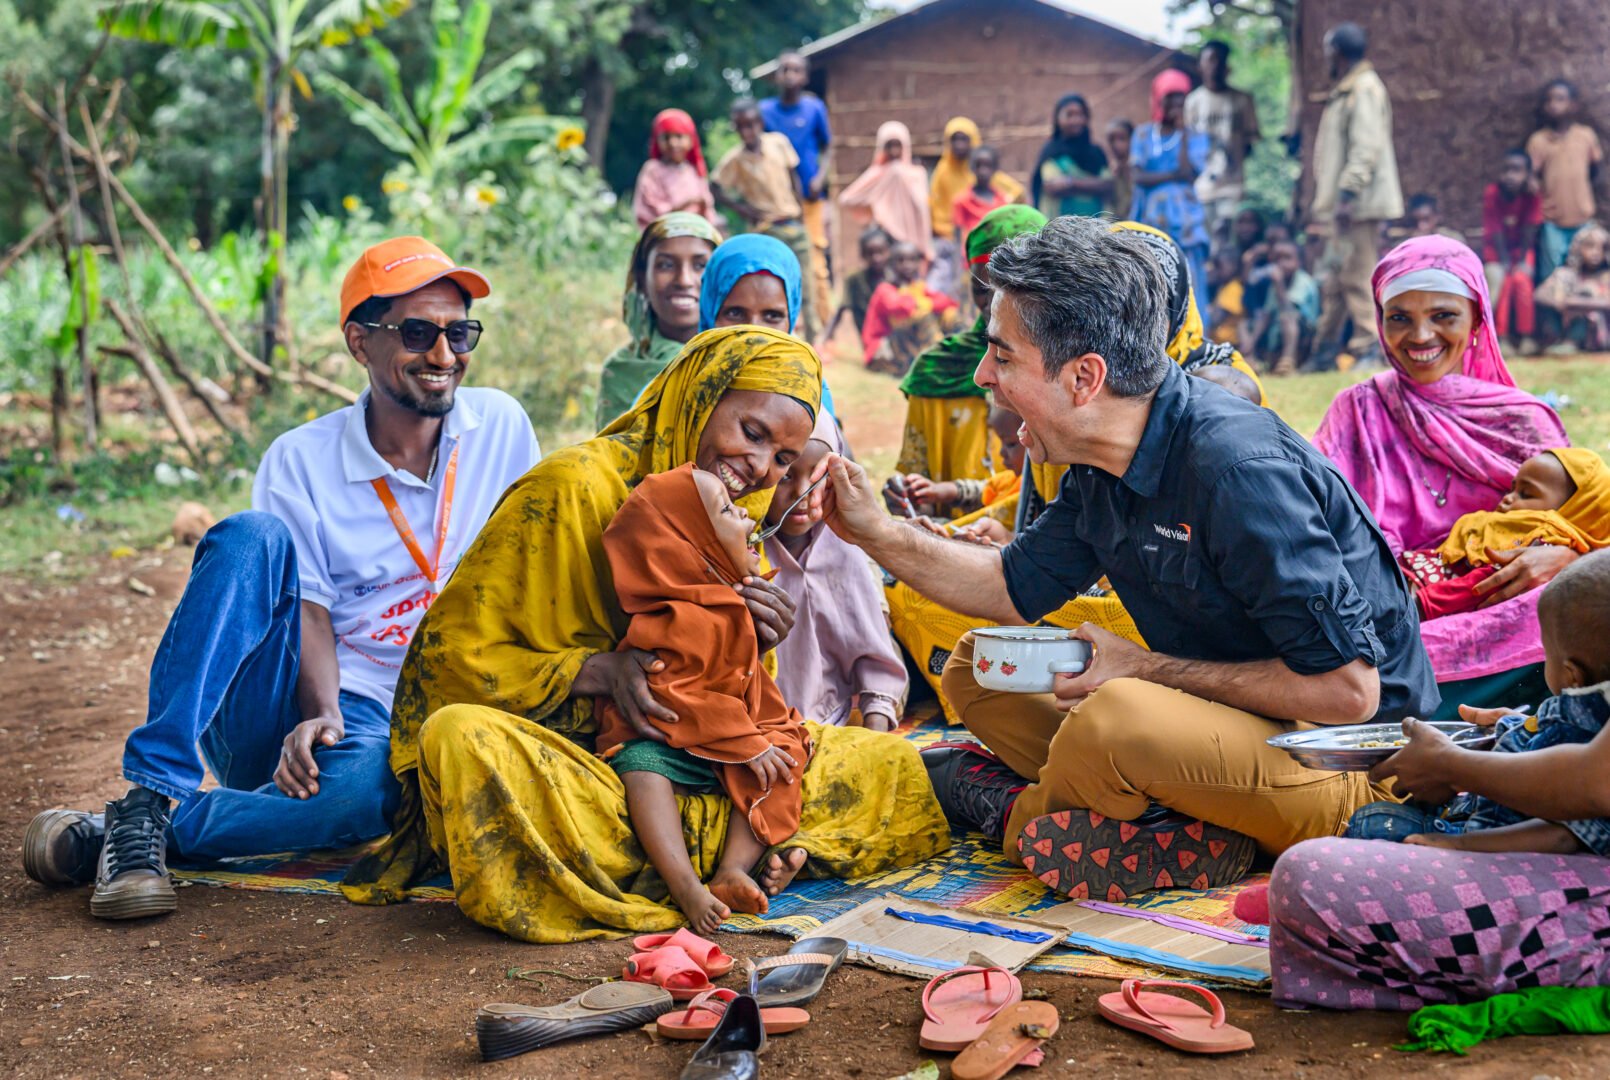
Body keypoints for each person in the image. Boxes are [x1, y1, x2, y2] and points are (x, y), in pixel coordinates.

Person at [818, 215, 1438, 903]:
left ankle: (1012, 816)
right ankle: (1169, 817)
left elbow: (1348, 693)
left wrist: (1142, 669)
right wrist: (874, 530)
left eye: (1004, 356)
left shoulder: (1236, 468)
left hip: (1347, 766)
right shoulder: (1104, 454)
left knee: (1113, 718)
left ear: (1085, 378)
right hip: (1232, 728)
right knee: (980, 665)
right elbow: (1009, 585)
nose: (982, 374)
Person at [339, 326, 950, 942]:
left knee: (890, 762)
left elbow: (733, 696)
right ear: (699, 396)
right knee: (460, 738)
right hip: (588, 768)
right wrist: (595, 671)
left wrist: (756, 641)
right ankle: (743, 851)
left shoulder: (742, 514)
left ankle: (719, 855)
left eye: (784, 458)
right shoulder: (573, 488)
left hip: (707, 758)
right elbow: (444, 668)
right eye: (751, 432)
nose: (760, 468)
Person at [23, 237, 542, 919]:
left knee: (368, 796)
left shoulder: (500, 426)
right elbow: (313, 613)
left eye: (458, 332)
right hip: (306, 713)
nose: (444, 356)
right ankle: (150, 792)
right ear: (361, 343)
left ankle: (122, 837)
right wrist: (320, 715)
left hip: (437, 711)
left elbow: (529, 565)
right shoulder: (300, 459)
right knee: (250, 538)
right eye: (418, 333)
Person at [1270, 552, 1610, 1010]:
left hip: (1552, 874)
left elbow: (1585, 802)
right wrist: (1512, 733)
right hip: (1501, 834)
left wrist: (1453, 772)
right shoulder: (1579, 711)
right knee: (1379, 822)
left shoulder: (1586, 718)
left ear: (1571, 673)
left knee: (1312, 870)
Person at [1314, 235, 1573, 716]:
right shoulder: (1356, 410)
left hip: (1506, 612)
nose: (1422, 336)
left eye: (1443, 315)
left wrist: (1562, 556)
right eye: (1400, 318)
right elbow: (1310, 525)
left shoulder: (1525, 421)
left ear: (1477, 319)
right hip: (1391, 617)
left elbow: (1586, 523)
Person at [597, 465, 812, 934]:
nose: (750, 519)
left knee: (787, 759)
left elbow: (751, 688)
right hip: (669, 741)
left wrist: (771, 737)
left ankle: (733, 868)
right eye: (729, 512)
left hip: (730, 743)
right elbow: (680, 696)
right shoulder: (681, 618)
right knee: (641, 768)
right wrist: (748, 742)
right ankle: (686, 885)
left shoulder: (730, 602)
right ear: (694, 547)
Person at [767, 413, 907, 733]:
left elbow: (876, 668)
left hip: (831, 719)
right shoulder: (748, 553)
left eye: (816, 478)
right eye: (786, 476)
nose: (802, 493)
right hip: (756, 722)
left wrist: (873, 741)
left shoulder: (846, 551)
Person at [894, 206, 1047, 495]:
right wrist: (909, 494)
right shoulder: (935, 371)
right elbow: (915, 476)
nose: (994, 302)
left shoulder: (1062, 370)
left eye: (1010, 285)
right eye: (982, 288)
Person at [1398, 448, 1609, 620]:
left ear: (1576, 510)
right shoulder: (1506, 528)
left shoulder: (1541, 540)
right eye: (1511, 490)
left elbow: (1488, 581)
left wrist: (1420, 605)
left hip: (1422, 600)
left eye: (1526, 494)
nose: (1507, 499)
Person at [1310, 23, 1403, 370]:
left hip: (1357, 205)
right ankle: (1324, 349)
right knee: (1336, 276)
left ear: (1336, 52)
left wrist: (1348, 194)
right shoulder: (1347, 90)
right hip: (1344, 205)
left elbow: (1366, 147)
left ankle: (1369, 346)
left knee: (1356, 274)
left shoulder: (1363, 89)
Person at [595, 212, 721, 429]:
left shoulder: (738, 360)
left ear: (721, 276)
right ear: (642, 278)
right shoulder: (622, 371)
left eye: (700, 265)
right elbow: (610, 458)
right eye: (666, 265)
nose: (684, 280)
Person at [712, 98, 818, 338]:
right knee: (771, 289)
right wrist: (743, 210)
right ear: (736, 128)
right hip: (766, 230)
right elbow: (715, 186)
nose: (748, 131)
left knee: (807, 287)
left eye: (751, 124)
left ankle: (813, 340)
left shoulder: (778, 143)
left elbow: (794, 177)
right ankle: (775, 338)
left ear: (760, 123)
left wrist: (800, 211)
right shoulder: (735, 159)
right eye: (741, 126)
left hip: (792, 223)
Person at [761, 51, 834, 330]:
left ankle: (822, 329)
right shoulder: (765, 110)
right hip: (776, 203)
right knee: (774, 259)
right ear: (777, 76)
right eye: (784, 69)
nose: (790, 75)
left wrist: (820, 177)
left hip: (809, 198)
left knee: (815, 265)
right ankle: (778, 322)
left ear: (804, 76)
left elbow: (828, 146)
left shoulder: (814, 108)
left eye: (795, 70)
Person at [1130, 69, 1212, 312]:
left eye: (1181, 98)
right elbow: (1137, 177)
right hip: (1153, 217)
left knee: (1190, 277)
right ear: (1158, 98)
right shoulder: (1144, 134)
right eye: (1169, 97)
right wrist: (1172, 176)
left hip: (1185, 221)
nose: (1175, 104)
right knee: (1155, 276)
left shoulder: (1195, 137)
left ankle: (1194, 334)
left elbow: (1189, 173)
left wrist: (1183, 133)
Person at [929, 117, 1024, 300]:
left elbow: (1015, 193)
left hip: (991, 249)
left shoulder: (996, 191)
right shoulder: (943, 173)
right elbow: (937, 207)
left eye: (964, 139)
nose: (959, 145)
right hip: (951, 239)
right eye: (954, 139)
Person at [1527, 79, 1603, 285]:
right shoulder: (1538, 141)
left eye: (1560, 99)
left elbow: (1596, 169)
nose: (1554, 104)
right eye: (1549, 100)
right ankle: (1553, 318)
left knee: (1584, 276)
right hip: (1553, 221)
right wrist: (1533, 183)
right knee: (1552, 278)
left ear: (1573, 105)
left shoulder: (1585, 136)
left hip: (1583, 219)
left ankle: (1580, 318)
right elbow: (1530, 175)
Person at [1183, 41, 1261, 243]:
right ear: (1200, 65)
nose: (1215, 65)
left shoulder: (1242, 100)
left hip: (1232, 186)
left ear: (1227, 65)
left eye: (1220, 60)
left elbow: (1251, 142)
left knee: (1227, 240)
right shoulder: (1193, 102)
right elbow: (1187, 144)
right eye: (1210, 60)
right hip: (1202, 187)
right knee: (1205, 241)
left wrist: (1234, 154)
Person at [900, 405, 1027, 519]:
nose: (1001, 453)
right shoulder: (1015, 479)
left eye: (1011, 444)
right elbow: (984, 490)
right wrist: (940, 490)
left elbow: (974, 524)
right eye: (1001, 444)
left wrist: (930, 526)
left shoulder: (1030, 496)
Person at [861, 240, 960, 376]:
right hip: (882, 351)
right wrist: (919, 299)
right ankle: (941, 361)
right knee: (923, 316)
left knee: (949, 314)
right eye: (900, 261)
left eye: (912, 260)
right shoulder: (885, 289)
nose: (907, 265)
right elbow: (901, 307)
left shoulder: (916, 286)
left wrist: (926, 303)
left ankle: (961, 355)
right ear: (891, 264)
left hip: (904, 348)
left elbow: (947, 302)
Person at [839, 121, 932, 261]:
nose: (894, 151)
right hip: (886, 237)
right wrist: (875, 208)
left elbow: (923, 210)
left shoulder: (917, 174)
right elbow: (847, 198)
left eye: (898, 145)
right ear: (881, 147)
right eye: (889, 146)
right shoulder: (877, 173)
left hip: (913, 240)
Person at [1482, 149, 1544, 356]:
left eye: (1517, 170)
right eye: (1506, 170)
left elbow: (1530, 228)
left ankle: (1526, 337)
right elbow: (1496, 229)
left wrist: (1522, 260)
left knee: (1521, 280)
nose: (1510, 175)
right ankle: (1503, 338)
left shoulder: (1532, 196)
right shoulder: (1493, 193)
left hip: (1521, 250)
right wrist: (1505, 261)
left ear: (1527, 174)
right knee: (1505, 281)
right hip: (1498, 251)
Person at [632, 108, 721, 229]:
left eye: (679, 136)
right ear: (657, 141)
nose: (673, 143)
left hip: (696, 230)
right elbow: (651, 207)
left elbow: (708, 208)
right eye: (666, 137)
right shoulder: (652, 169)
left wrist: (703, 206)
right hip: (662, 231)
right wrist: (683, 205)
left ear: (691, 140)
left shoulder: (694, 171)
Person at [1243, 238, 1320, 375]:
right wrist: (1252, 342)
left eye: (1287, 258)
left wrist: (1279, 286)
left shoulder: (1302, 280)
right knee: (1245, 325)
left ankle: (1288, 361)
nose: (1281, 264)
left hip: (1304, 335)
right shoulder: (1274, 285)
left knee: (1287, 317)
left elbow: (1289, 309)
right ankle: (1250, 359)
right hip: (1278, 333)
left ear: (1298, 262)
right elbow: (1266, 315)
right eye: (1277, 259)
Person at [1031, 93, 1111, 220]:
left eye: (1080, 115)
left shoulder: (1096, 153)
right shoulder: (1051, 151)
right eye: (1069, 115)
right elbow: (1052, 187)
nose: (1076, 120)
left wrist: (1071, 183)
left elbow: (1107, 185)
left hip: (1096, 229)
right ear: (1058, 119)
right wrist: (1090, 185)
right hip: (1059, 230)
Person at [1537, 220, 1610, 354]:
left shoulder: (1606, 276)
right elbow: (1539, 295)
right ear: (1578, 248)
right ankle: (1561, 342)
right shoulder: (1566, 274)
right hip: (1566, 325)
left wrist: (1575, 302)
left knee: (1586, 292)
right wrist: (1558, 300)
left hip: (1601, 331)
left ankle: (1573, 342)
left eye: (1602, 248)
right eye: (1590, 246)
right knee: (1560, 290)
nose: (1596, 252)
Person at [817, 225, 890, 354]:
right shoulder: (854, 280)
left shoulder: (894, 279)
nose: (876, 258)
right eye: (870, 253)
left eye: (880, 252)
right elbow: (839, 312)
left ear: (888, 251)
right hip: (870, 341)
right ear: (862, 254)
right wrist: (823, 340)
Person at [952, 145, 1012, 252]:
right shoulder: (962, 201)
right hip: (971, 258)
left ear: (994, 168)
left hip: (996, 258)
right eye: (978, 165)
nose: (982, 171)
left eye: (987, 166)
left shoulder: (1003, 201)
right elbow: (957, 241)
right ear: (972, 168)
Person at [1106, 119, 1135, 221]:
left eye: (1122, 139)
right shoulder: (1110, 172)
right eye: (1111, 140)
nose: (1116, 144)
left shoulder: (1139, 171)